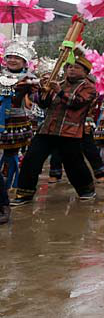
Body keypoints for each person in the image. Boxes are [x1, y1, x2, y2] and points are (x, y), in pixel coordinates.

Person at [11, 55, 97, 206]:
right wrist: (41, 90)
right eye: (69, 67)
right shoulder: (59, 83)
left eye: (76, 67)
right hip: (47, 129)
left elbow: (77, 102)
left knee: (74, 164)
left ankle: (86, 190)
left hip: (70, 132)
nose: (71, 69)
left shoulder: (89, 87)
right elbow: (43, 104)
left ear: (85, 72)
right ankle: (24, 194)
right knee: (31, 159)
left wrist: (59, 91)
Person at [0, 39, 39, 220]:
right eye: (10, 57)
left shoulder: (29, 79)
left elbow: (37, 100)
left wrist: (38, 89)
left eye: (17, 58)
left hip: (15, 124)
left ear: (24, 62)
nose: (12, 60)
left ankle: (8, 187)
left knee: (10, 156)